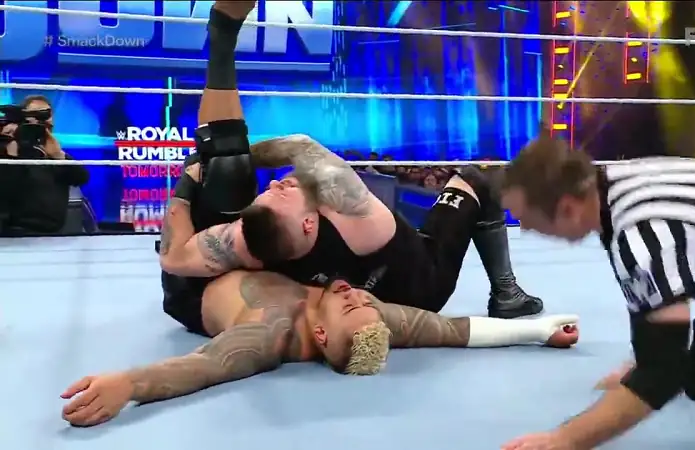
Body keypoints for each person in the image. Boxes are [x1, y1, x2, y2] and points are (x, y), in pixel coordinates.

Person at [157, 0, 541, 319]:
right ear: (309, 222)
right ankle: (506, 293)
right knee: (478, 177)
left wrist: (196, 176)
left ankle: (222, 37)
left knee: (225, 167)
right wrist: (242, 159)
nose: (275, 183)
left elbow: (174, 258)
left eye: (272, 189)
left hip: (348, 295)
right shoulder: (345, 203)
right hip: (424, 289)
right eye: (280, 192)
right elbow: (301, 146)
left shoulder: (250, 239)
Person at [498, 136, 695, 450]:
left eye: (527, 220)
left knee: (683, 369)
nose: (527, 230)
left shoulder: (642, 231)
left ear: (567, 209)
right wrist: (644, 359)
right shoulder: (618, 181)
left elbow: (662, 373)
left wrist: (565, 440)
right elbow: (656, 301)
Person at [60, 268, 580, 427]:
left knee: (220, 172)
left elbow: (205, 366)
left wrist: (128, 383)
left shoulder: (269, 332)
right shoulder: (369, 318)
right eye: (364, 302)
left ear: (324, 336)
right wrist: (539, 330)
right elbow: (454, 330)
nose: (357, 296)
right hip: (268, 264)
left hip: (191, 284)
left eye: (352, 305)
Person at [0, 96, 89, 234]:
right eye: (35, 114)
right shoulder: (9, 149)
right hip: (15, 232)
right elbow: (7, 188)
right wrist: (12, 152)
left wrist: (59, 156)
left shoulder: (54, 151)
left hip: (53, 234)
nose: (42, 121)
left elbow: (81, 178)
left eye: (46, 115)